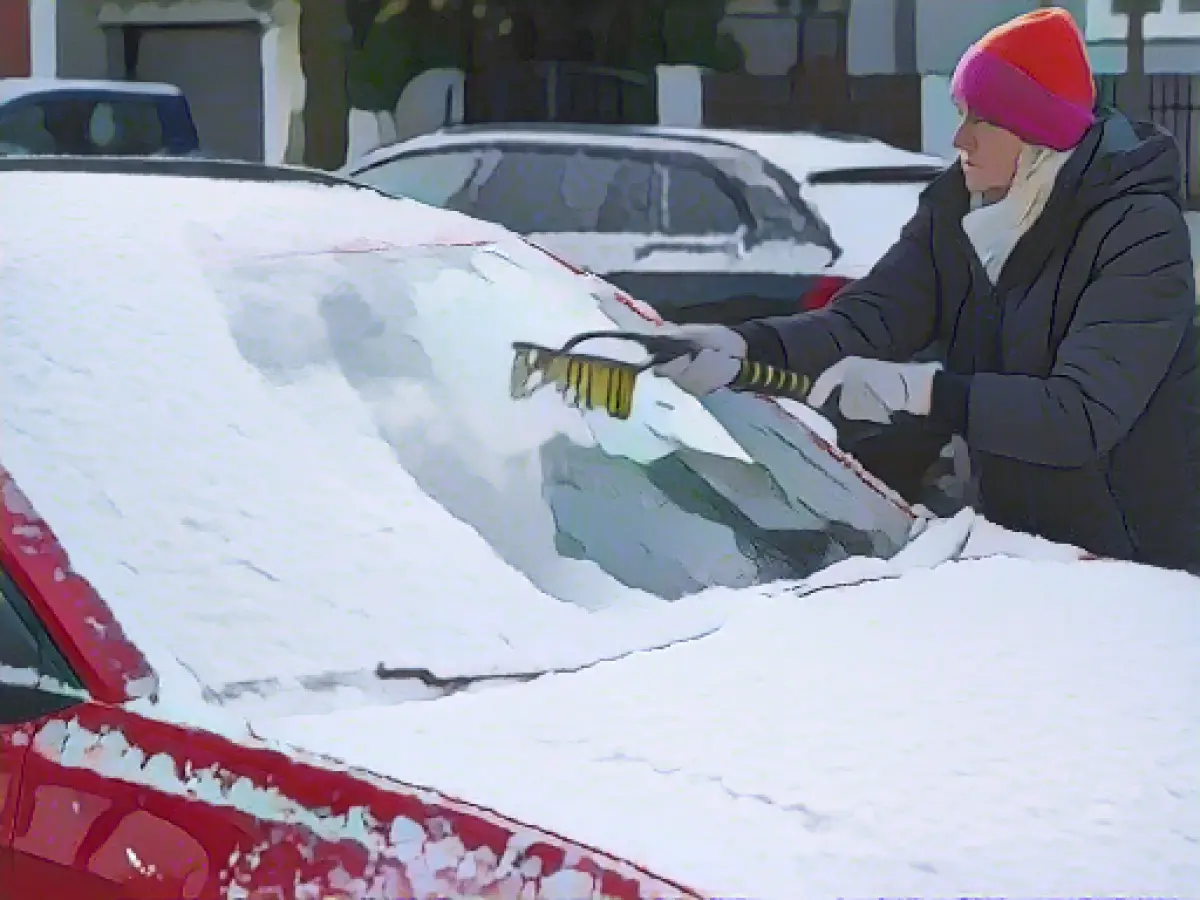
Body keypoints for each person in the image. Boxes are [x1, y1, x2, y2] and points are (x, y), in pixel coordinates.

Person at [655, 8, 1200, 574]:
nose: (960, 138)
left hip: (1139, 567)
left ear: (1035, 130)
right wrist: (746, 348)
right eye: (961, 114)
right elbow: (866, 320)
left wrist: (926, 393)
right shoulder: (958, 211)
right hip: (1023, 557)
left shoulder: (1137, 229)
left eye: (981, 119)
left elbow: (1081, 416)